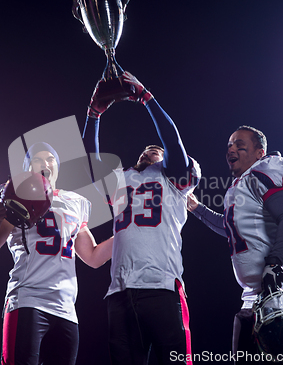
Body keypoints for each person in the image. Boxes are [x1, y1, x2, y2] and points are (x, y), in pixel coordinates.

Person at [82, 71, 201, 365]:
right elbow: (89, 163)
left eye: (157, 150)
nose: (152, 149)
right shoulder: (122, 179)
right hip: (120, 293)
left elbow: (170, 137)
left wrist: (146, 97)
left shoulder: (174, 179)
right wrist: (93, 114)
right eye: (147, 149)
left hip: (161, 287)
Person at [0, 141, 113, 365]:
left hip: (66, 308)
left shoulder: (76, 202)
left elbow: (93, 257)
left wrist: (128, 232)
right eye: (37, 159)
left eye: (50, 159)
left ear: (57, 167)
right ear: (27, 169)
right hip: (28, 298)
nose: (45, 163)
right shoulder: (17, 195)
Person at [187, 126, 283, 364]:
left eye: (239, 144)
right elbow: (229, 228)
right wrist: (197, 208)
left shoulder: (267, 168)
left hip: (282, 293)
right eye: (229, 145)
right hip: (254, 297)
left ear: (259, 153)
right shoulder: (238, 186)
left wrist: (274, 263)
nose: (231, 149)